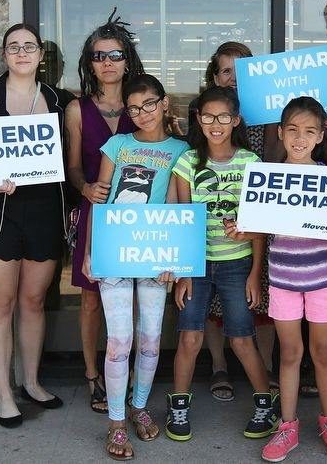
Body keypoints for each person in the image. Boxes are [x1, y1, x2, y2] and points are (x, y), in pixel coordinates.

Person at [0, 23, 75, 427]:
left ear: (41, 55)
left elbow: (72, 158)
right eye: (13, 47)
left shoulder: (61, 101)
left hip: (45, 210)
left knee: (33, 301)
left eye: (29, 46)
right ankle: (4, 393)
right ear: (4, 55)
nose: (22, 52)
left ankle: (31, 382)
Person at [83, 74, 189, 460]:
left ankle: (139, 405)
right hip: (114, 250)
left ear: (164, 103)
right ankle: (116, 420)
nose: (142, 113)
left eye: (149, 104)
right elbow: (100, 200)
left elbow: (179, 206)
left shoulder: (180, 150)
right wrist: (90, 251)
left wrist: (176, 259)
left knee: (150, 338)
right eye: (133, 108)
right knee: (119, 341)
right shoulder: (118, 145)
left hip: (155, 253)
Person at [166, 86, 278, 442]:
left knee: (242, 339)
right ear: (198, 120)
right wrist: (184, 271)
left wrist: (255, 273)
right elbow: (182, 218)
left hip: (237, 264)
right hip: (196, 265)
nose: (216, 124)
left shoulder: (251, 162)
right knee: (189, 338)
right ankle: (178, 406)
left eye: (224, 117)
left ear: (236, 120)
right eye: (209, 117)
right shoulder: (187, 162)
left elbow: (259, 225)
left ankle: (265, 403)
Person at [260, 97, 327, 462]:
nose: (300, 138)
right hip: (282, 278)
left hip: (323, 279)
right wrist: (241, 227)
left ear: (320, 137)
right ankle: (288, 426)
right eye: (293, 130)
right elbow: (256, 225)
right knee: (290, 353)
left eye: (309, 131)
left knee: (322, 352)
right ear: (281, 133)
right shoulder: (266, 177)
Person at [65, 11, 144, 414]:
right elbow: (73, 165)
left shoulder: (142, 106)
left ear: (127, 59)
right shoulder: (77, 109)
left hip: (137, 216)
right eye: (99, 56)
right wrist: (84, 187)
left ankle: (129, 373)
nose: (107, 62)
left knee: (133, 298)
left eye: (115, 55)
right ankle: (93, 374)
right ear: (89, 62)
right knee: (92, 299)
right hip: (95, 211)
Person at [191, 42, 278, 402]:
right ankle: (219, 367)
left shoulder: (267, 114)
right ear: (215, 77)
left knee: (262, 293)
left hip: (259, 219)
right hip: (216, 222)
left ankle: (266, 369)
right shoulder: (206, 118)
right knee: (214, 302)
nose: (234, 78)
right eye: (227, 70)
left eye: (241, 71)